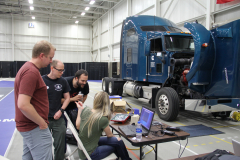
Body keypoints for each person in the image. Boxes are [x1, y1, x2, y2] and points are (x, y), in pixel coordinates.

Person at [14, 40, 55, 160]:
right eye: (50, 57)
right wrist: (41, 123)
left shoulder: (27, 69)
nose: (51, 61)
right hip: (34, 127)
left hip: (30, 126)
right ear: (42, 56)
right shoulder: (31, 72)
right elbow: (23, 104)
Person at [75, 91, 132, 160]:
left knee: (117, 142)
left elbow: (77, 126)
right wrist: (116, 139)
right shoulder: (102, 119)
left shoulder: (86, 109)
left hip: (83, 149)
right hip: (90, 154)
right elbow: (109, 135)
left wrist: (79, 109)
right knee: (118, 144)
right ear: (106, 103)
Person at [42, 60, 71, 160]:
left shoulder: (63, 81)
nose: (62, 72)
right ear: (52, 68)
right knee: (44, 145)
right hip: (43, 119)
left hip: (58, 118)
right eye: (59, 70)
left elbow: (67, 98)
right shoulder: (41, 80)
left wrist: (61, 111)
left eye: (63, 70)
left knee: (60, 145)